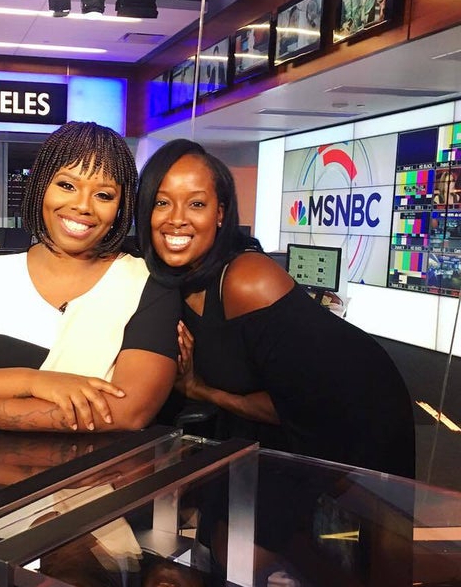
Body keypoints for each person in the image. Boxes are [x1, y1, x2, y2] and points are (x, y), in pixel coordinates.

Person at [135, 138, 416, 478]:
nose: (176, 220)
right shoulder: (169, 280)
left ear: (220, 214)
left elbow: (298, 404)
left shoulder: (247, 281)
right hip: (266, 428)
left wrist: (201, 390)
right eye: (162, 202)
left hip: (358, 416)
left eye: (196, 204)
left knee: (350, 525)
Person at [0, 121, 180, 433]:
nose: (82, 206)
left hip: (93, 478)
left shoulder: (146, 284)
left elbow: (129, 411)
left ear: (121, 207)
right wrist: (35, 381)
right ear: (41, 186)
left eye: (104, 195)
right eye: (67, 185)